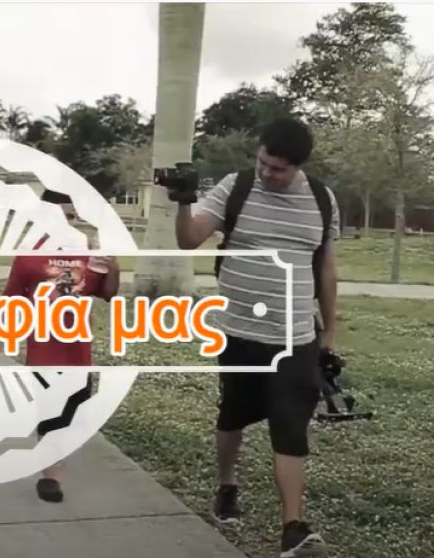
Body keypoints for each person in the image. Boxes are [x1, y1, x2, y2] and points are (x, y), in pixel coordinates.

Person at [170, 117, 337, 558]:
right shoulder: (237, 187)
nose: (266, 173)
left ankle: (293, 529)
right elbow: (189, 240)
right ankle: (227, 487)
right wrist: (184, 202)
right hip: (239, 332)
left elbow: (325, 268)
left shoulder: (322, 199)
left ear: (298, 166)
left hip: (296, 337)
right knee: (233, 415)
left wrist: (330, 331)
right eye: (262, 162)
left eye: (277, 169)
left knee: (290, 425)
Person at [0, 190, 120, 503]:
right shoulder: (29, 256)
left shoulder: (88, 254)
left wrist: (114, 267)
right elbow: (11, 298)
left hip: (78, 349)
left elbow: (108, 292)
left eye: (71, 217)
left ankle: (57, 450)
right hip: (43, 348)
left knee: (74, 407)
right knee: (49, 407)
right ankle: (51, 474)